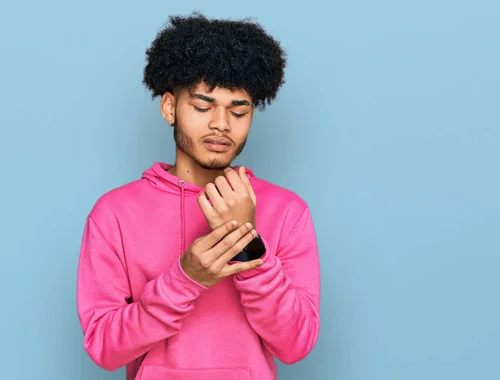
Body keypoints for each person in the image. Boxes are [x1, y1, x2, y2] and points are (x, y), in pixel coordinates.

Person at [76, 12, 320, 380]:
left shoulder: (287, 211)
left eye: (239, 111)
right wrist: (185, 279)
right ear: (170, 107)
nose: (221, 124)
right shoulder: (114, 214)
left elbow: (296, 344)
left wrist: (247, 245)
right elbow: (104, 348)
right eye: (203, 107)